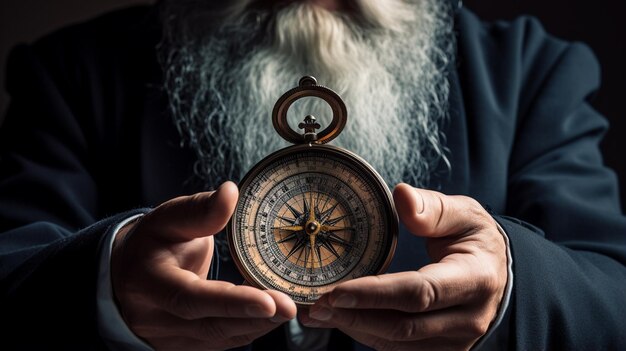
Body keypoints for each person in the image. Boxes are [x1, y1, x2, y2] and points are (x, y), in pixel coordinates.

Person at [1, 0, 624, 349]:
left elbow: (612, 298)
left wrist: (511, 291)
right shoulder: (71, 73)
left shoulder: (533, 70)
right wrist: (105, 284)